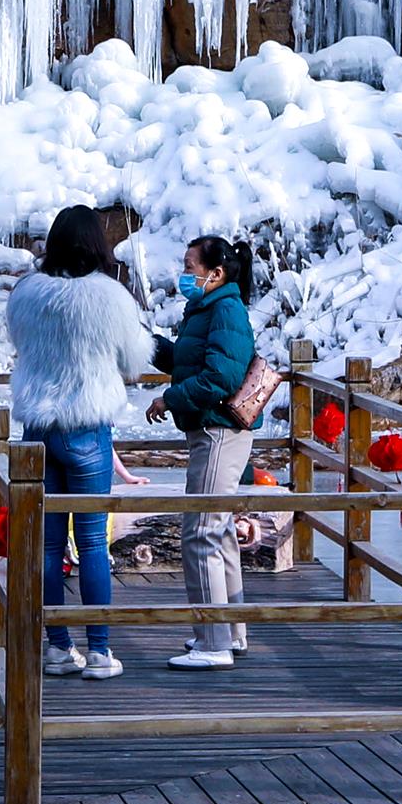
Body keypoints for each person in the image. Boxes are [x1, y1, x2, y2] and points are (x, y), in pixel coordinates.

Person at [7, 206, 156, 680]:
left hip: (38, 430)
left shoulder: (26, 294)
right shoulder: (110, 297)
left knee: (48, 547)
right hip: (88, 426)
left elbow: (19, 345)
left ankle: (57, 647)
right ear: (96, 244)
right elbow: (135, 359)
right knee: (92, 543)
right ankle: (99, 652)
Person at [148, 234, 261, 669]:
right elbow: (192, 362)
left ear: (215, 274)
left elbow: (220, 379)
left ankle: (213, 642)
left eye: (189, 266)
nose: (184, 274)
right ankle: (230, 633)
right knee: (219, 530)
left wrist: (168, 399)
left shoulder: (226, 310)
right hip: (213, 431)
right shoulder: (209, 309)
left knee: (200, 533)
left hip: (218, 432)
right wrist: (151, 345)